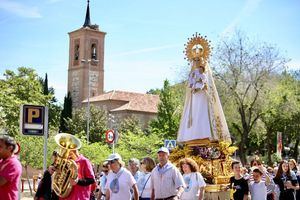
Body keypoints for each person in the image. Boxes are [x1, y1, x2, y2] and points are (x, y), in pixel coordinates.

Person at [177, 61, 231, 143]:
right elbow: (190, 82)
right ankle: (192, 136)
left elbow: (205, 83)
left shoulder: (204, 75)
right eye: (196, 62)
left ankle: (204, 134)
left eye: (199, 63)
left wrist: (200, 86)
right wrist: (192, 86)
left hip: (202, 94)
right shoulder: (193, 73)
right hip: (194, 95)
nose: (197, 65)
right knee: (193, 113)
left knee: (202, 112)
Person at [0, 135, 22, 200]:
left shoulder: (14, 164)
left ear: (10, 148)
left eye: (0, 147)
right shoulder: (2, 161)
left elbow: (1, 182)